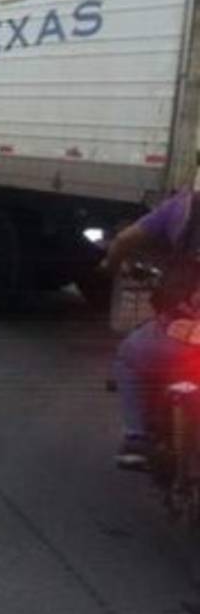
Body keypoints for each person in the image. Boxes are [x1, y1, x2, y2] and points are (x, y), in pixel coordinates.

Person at [101, 187, 200, 469]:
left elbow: (124, 240)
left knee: (130, 357)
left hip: (184, 329)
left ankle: (137, 438)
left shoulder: (185, 207)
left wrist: (110, 264)